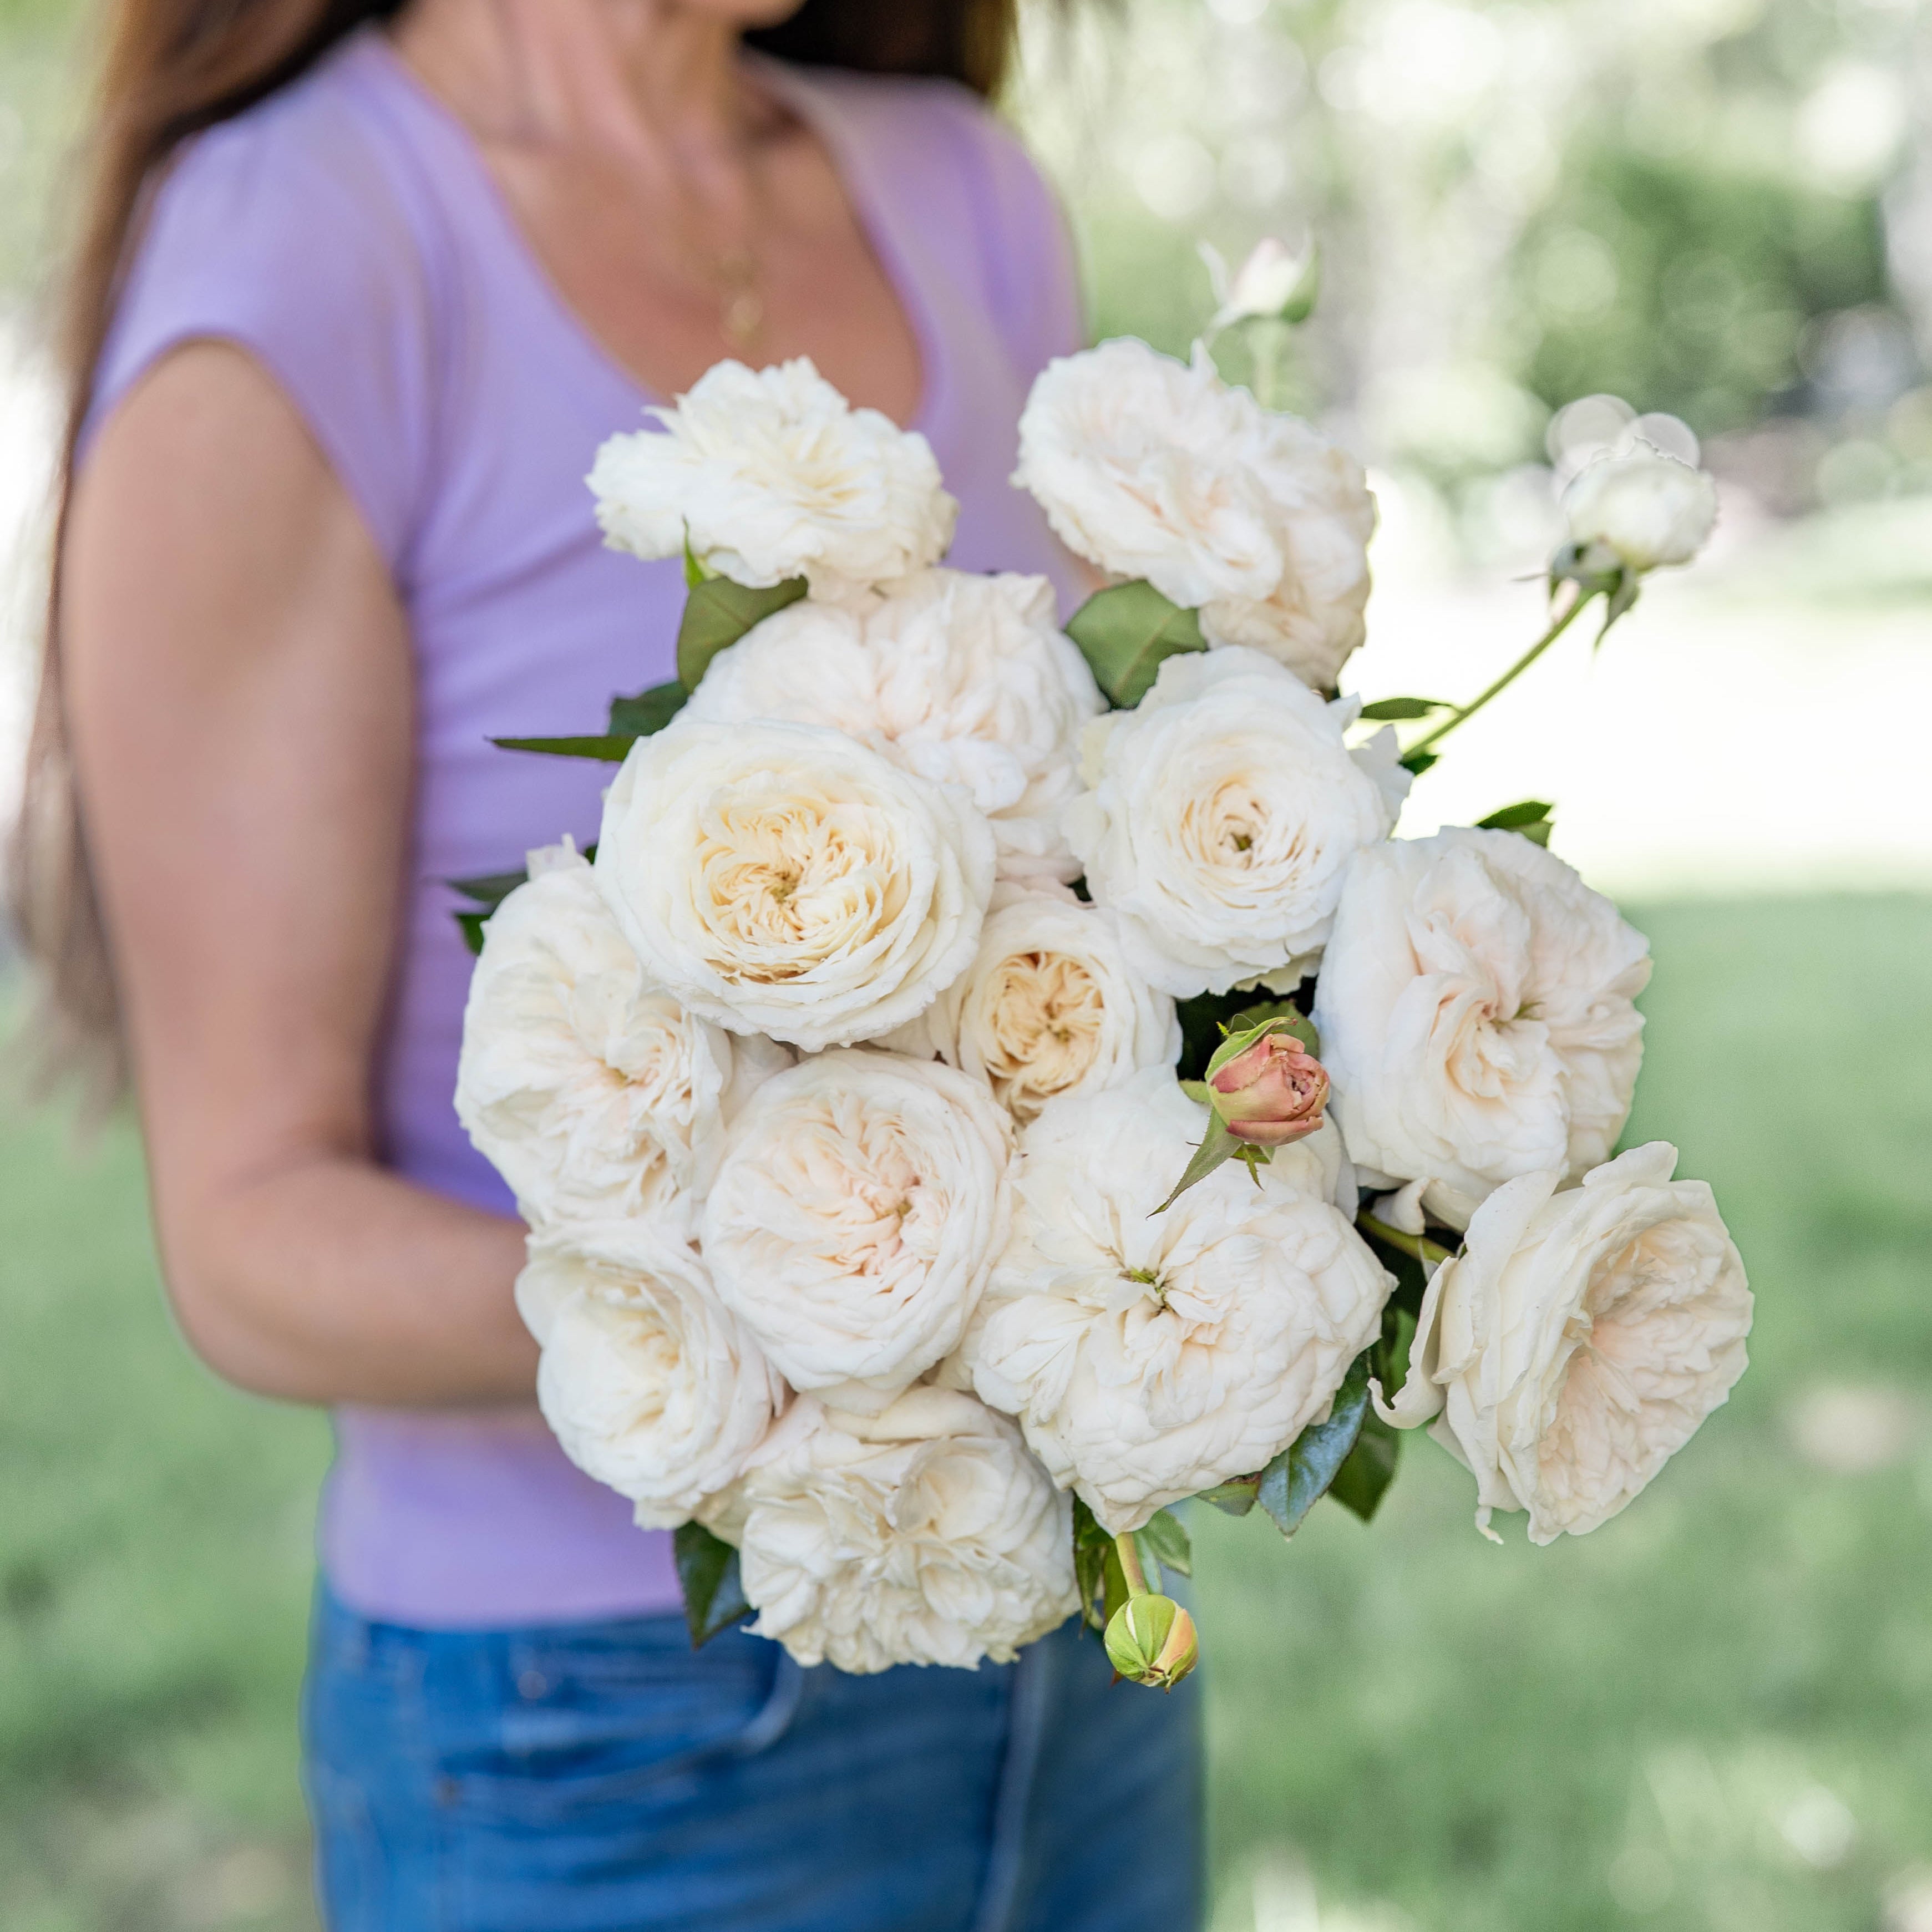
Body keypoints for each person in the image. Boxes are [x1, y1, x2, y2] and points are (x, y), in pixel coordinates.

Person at [12, 0, 1203, 1925]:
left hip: (1063, 1640)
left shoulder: (959, 193)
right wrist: (851, 1300)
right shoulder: (306, 262)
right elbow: (248, 1238)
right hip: (596, 1733)